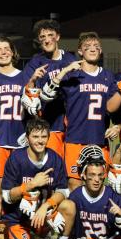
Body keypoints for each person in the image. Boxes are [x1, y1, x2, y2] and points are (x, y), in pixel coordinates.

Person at [42, 32, 121, 188]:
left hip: (99, 139)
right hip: (75, 139)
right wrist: (64, 71)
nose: (92, 49)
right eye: (87, 47)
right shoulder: (72, 74)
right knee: (74, 183)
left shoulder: (108, 76)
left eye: (96, 47)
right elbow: (46, 95)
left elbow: (113, 107)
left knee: (97, 184)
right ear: (80, 51)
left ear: (100, 51)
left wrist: (116, 125)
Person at [0, 36, 45, 178]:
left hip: (21, 138)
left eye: (6, 49)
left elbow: (36, 111)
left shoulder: (26, 76)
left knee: (22, 182)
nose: (3, 52)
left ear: (13, 52)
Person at [23, 19, 76, 156]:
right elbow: (27, 95)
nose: (47, 40)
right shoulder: (35, 63)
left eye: (50, 35)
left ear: (57, 36)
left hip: (72, 125)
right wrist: (33, 79)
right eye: (42, 37)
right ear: (38, 40)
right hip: (47, 125)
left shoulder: (70, 60)